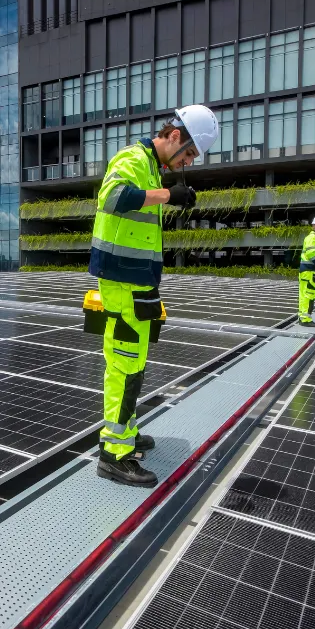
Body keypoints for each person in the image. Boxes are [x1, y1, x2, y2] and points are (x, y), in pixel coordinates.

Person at [90, 105, 219, 487]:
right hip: (121, 281)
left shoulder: (149, 167)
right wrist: (167, 194)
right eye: (190, 154)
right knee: (125, 363)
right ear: (176, 136)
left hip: (140, 282)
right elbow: (111, 197)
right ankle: (114, 452)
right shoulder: (132, 158)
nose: (188, 162)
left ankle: (125, 433)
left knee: (136, 359)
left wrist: (166, 194)